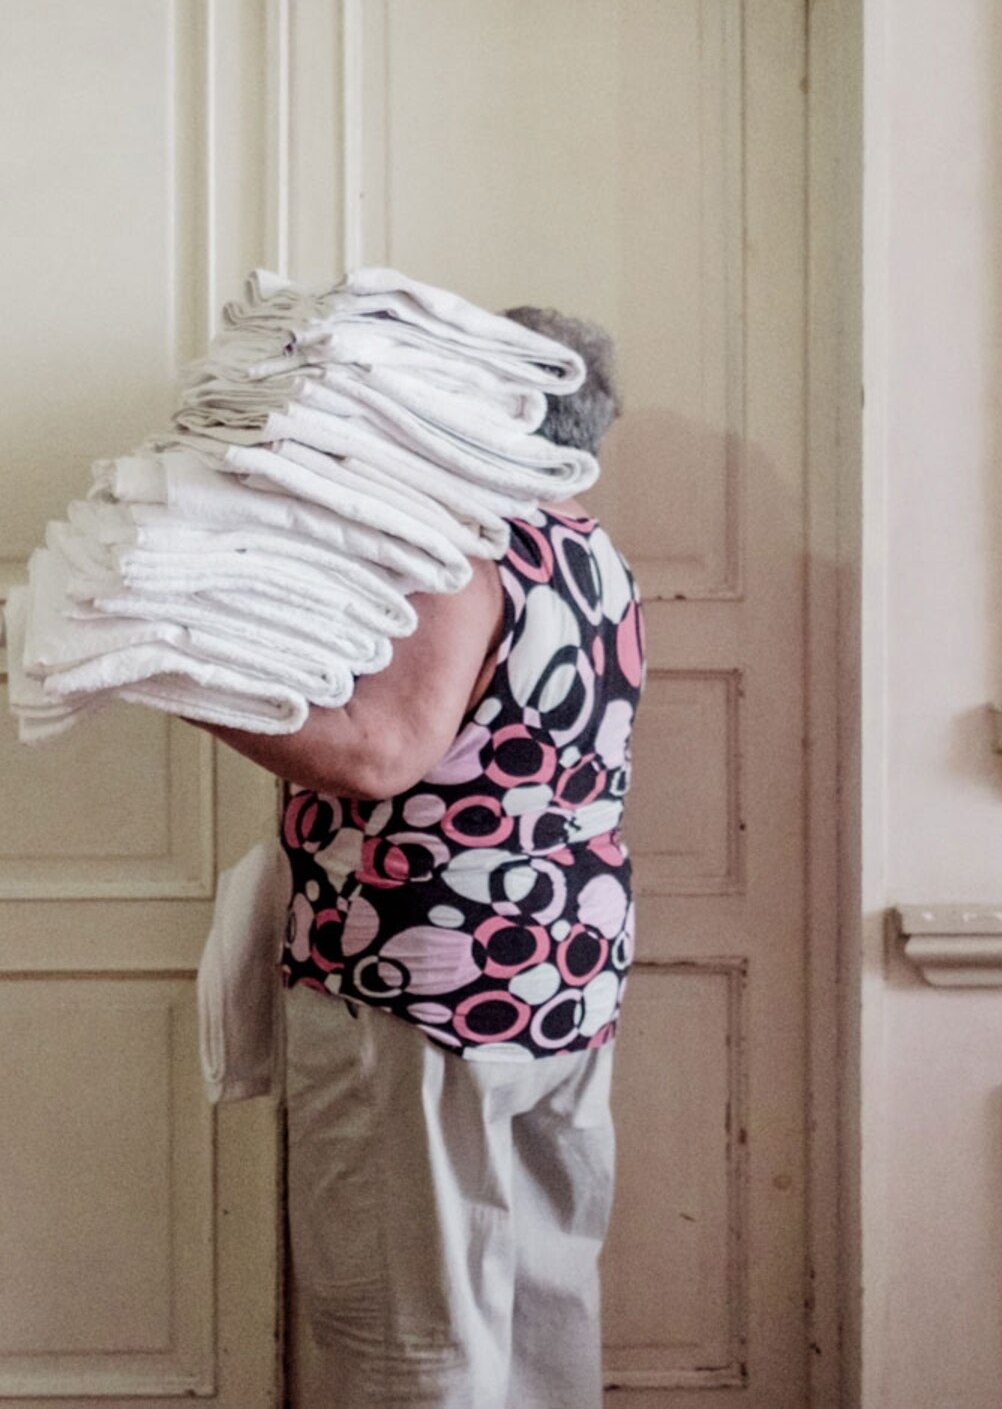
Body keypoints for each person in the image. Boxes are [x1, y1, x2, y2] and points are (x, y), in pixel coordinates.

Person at [197, 305, 642, 1409]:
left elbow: (379, 754)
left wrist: (183, 679)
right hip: (558, 967)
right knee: (540, 1291)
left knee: (411, 1323)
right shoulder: (588, 549)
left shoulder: (463, 546)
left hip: (421, 978)